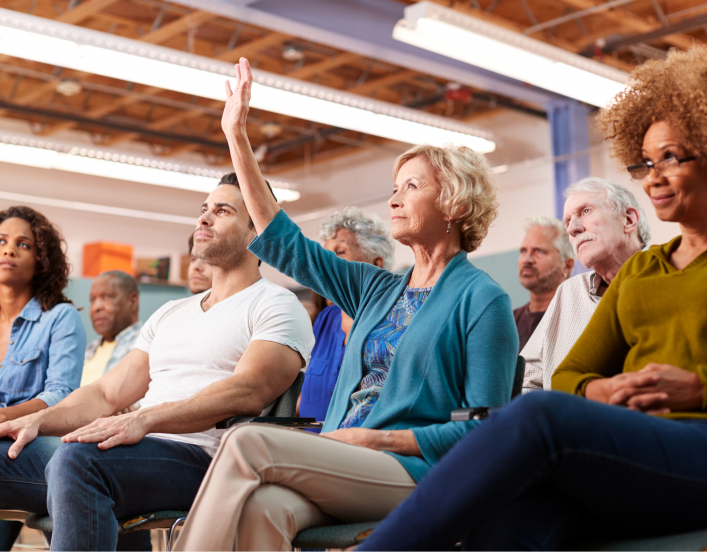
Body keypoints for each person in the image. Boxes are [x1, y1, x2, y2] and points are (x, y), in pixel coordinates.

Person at [355, 45, 707, 551]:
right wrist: (601, 393)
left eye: (671, 157)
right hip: (630, 455)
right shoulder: (644, 272)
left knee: (536, 415)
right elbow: (567, 375)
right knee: (511, 519)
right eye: (646, 162)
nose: (653, 175)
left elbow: (550, 401)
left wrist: (698, 390)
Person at [173, 57, 517, 552]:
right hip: (341, 457)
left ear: (456, 205)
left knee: (244, 439)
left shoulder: (482, 299)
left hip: (414, 471)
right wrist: (236, 136)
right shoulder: (378, 289)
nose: (394, 200)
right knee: (263, 509)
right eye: (394, 189)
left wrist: (382, 439)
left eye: (412, 187)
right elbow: (283, 239)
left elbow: (488, 436)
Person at [0, 176, 314, 550]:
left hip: (205, 461)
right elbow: (105, 392)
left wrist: (144, 418)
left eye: (223, 210)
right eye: (204, 209)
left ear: (257, 230)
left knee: (79, 461)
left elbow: (249, 390)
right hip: (131, 452)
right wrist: (36, 420)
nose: (205, 219)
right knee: (58, 459)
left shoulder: (277, 305)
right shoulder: (170, 312)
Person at [0, 206, 85, 551]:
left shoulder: (61, 318)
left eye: (23, 245)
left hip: (38, 441)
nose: (8, 250)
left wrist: (6, 417)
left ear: (41, 259)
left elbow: (60, 393)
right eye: (2, 241)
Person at [522, 177, 649, 392]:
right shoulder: (569, 292)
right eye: (568, 221)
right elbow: (527, 379)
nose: (572, 229)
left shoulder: (668, 275)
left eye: (586, 211)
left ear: (628, 220)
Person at [298, 207, 395, 427]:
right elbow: (303, 397)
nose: (328, 263)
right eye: (326, 254)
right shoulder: (325, 319)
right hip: (307, 445)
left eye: (340, 252)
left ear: (376, 263)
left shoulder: (392, 321)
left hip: (355, 450)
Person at [514, 216, 574, 351]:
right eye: (523, 251)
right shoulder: (509, 321)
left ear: (567, 265)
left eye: (539, 251)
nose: (527, 259)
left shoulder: (579, 317)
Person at [82, 271, 142, 388]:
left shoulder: (146, 344)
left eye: (107, 297)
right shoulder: (87, 351)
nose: (96, 307)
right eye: (92, 299)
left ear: (133, 301)